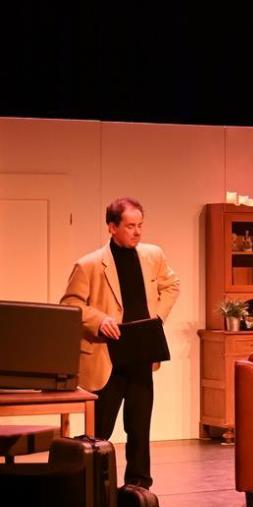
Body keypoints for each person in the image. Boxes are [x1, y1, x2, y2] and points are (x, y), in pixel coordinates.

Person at [61, 197, 180, 489]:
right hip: (106, 357)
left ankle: (139, 491)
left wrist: (156, 319)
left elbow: (171, 285)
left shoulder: (153, 255)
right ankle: (94, 493)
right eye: (130, 226)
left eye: (140, 225)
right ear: (112, 227)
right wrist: (99, 319)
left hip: (141, 353)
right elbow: (71, 306)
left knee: (139, 428)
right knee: (100, 431)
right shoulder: (89, 265)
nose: (137, 232)